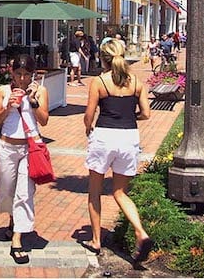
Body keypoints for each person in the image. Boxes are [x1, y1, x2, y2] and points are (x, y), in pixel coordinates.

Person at [82, 39, 152, 266]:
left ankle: (95, 240)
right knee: (120, 193)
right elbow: (146, 114)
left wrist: (87, 128)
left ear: (102, 58)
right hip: (128, 136)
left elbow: (89, 114)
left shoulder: (99, 81)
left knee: (95, 190)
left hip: (104, 135)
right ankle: (141, 232)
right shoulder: (136, 82)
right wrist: (131, 118)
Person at [0, 54, 49, 265]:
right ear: (11, 73)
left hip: (29, 148)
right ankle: (13, 219)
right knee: (6, 190)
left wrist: (32, 102)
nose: (22, 79)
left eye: (26, 75)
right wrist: (8, 107)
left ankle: (18, 239)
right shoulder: (3, 91)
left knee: (24, 193)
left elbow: (44, 120)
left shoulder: (39, 91)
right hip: (7, 146)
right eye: (18, 74)